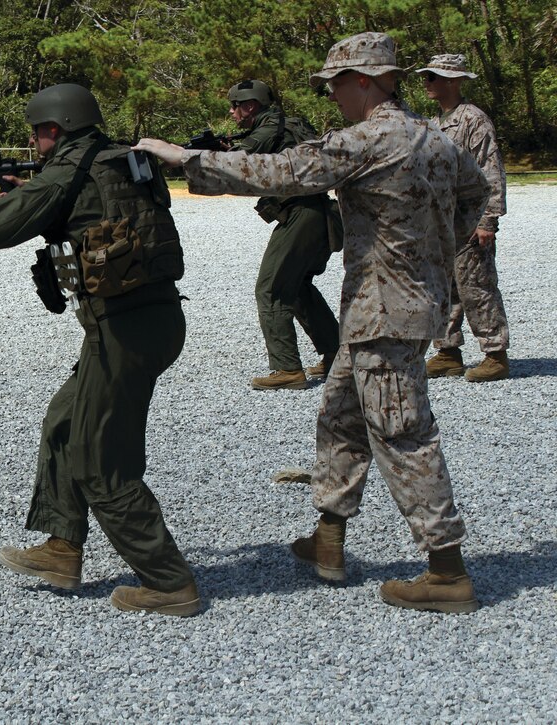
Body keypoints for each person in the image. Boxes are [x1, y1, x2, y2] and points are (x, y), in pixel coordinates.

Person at [134, 32, 491, 613]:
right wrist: (429, 254)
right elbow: (474, 195)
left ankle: (446, 570)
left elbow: (287, 171)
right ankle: (328, 541)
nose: (331, 97)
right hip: (386, 308)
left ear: (367, 81)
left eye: (336, 85)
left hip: (386, 312)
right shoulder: (434, 138)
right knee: (341, 419)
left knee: (404, 433)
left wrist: (185, 159)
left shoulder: (375, 138)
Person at [0, 83, 200, 617]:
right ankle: (62, 548)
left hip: (122, 330)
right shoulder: (118, 159)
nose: (33, 141)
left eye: (37, 132)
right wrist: (34, 195)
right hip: (155, 317)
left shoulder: (65, 171)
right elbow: (90, 211)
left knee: (103, 461)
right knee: (62, 421)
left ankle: (168, 581)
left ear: (56, 128)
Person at [224, 79, 341, 391]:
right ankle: (338, 354)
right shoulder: (293, 124)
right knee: (298, 285)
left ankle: (287, 368)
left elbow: (238, 159)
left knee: (271, 289)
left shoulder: (270, 127)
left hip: (300, 214)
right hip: (318, 213)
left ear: (250, 105)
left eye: (236, 106)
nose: (233, 112)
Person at [417, 54, 511, 382]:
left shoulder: (474, 120)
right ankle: (447, 351)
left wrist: (488, 220)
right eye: (427, 76)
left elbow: (490, 168)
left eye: (433, 77)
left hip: (469, 218)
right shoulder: (437, 122)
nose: (427, 82)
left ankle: (495, 353)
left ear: (454, 81)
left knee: (477, 286)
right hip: (441, 223)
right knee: (443, 287)